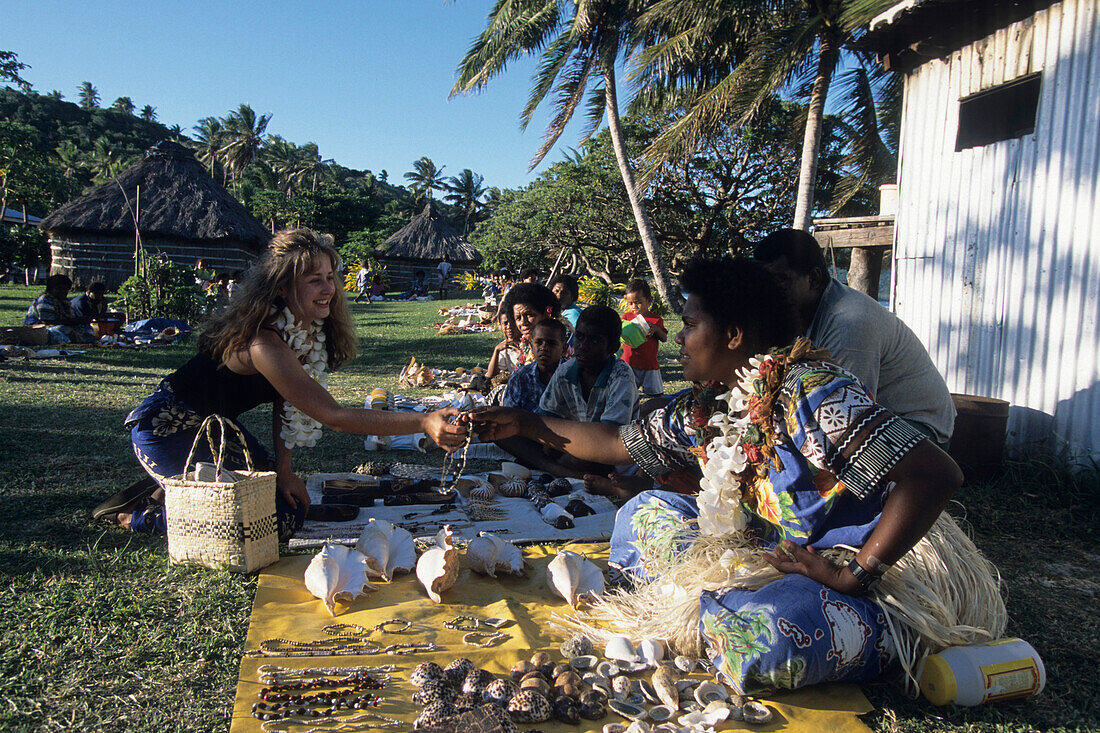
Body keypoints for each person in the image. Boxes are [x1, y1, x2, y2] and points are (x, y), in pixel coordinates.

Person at [472, 257, 1001, 695]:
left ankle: (748, 614)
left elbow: (935, 473)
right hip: (771, 552)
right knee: (639, 514)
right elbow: (614, 443)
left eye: (690, 324)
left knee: (761, 639)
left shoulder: (813, 391)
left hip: (856, 574)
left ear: (733, 335)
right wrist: (526, 423)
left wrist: (854, 574)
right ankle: (714, 603)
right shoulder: (709, 403)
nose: (678, 338)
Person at [96, 229, 467, 539]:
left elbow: (285, 405)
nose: (328, 289)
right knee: (273, 521)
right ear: (282, 289)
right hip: (165, 428)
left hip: (216, 429)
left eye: (330, 278)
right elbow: (333, 416)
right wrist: (422, 421)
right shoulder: (264, 342)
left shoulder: (303, 331)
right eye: (313, 280)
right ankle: (140, 516)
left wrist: (285, 472)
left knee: (283, 498)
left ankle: (179, 487)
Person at [754, 228, 956, 447]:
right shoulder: (803, 311)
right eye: (765, 282)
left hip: (920, 429)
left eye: (781, 280)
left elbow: (844, 417)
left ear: (813, 278)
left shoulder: (848, 322)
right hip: (882, 420)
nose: (769, 292)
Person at [501, 318, 566, 412]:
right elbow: (509, 414)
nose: (544, 348)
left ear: (564, 348)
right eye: (538, 342)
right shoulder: (520, 378)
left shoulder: (572, 375)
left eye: (551, 343)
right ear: (531, 346)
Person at [620, 278, 668, 397]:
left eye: (638, 302)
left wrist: (657, 329)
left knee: (656, 395)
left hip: (649, 365)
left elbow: (664, 338)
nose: (634, 307)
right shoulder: (626, 317)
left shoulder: (656, 319)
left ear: (649, 300)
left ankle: (656, 413)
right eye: (630, 303)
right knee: (627, 394)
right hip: (629, 363)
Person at [24, 274, 94, 343]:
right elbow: (48, 322)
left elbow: (69, 317)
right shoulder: (44, 301)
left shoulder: (64, 301)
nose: (63, 292)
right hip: (39, 330)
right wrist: (76, 321)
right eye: (59, 289)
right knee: (62, 329)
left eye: (65, 289)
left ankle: (80, 340)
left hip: (61, 326)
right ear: (50, 289)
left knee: (86, 328)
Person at [486, 314, 523, 381]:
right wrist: (496, 350)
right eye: (505, 323)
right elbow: (491, 375)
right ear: (500, 326)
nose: (509, 326)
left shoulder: (527, 342)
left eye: (513, 323)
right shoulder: (503, 348)